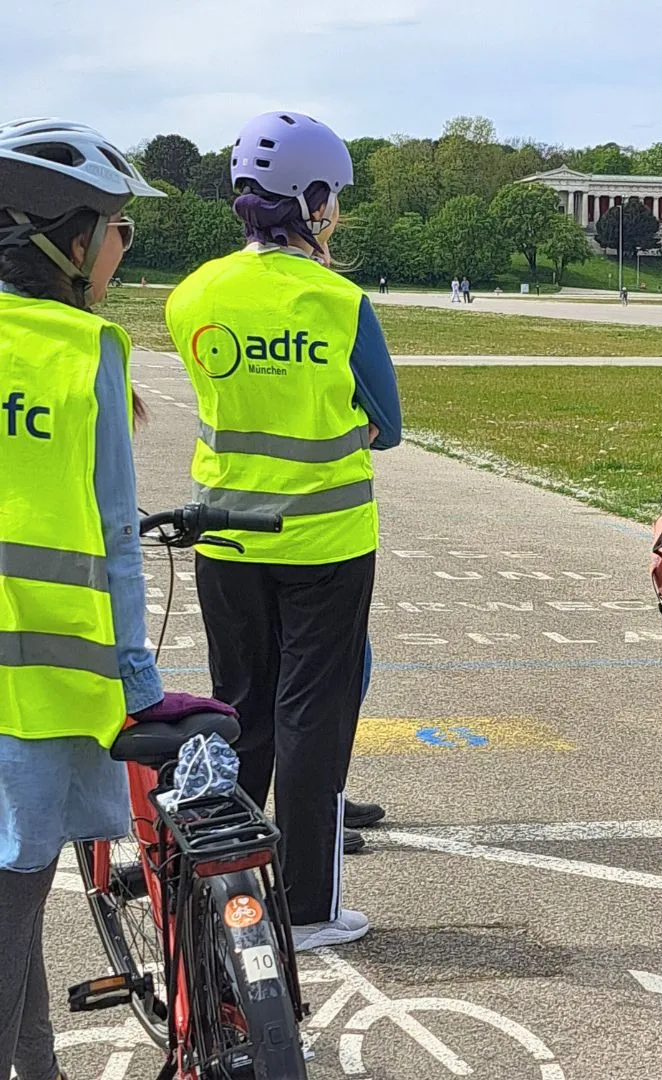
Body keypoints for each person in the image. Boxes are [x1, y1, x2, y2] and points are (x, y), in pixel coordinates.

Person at [0, 117, 236, 1080]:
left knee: (15, 930)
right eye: (117, 225)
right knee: (12, 905)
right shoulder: (77, 349)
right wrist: (138, 681)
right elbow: (111, 544)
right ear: (65, 234)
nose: (124, 245)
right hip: (38, 691)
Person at [165, 111, 402, 951]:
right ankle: (306, 909)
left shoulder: (191, 293)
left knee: (239, 709)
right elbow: (390, 422)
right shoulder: (340, 302)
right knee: (314, 714)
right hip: (325, 541)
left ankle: (221, 878)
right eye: (329, 196)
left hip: (225, 534)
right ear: (309, 200)